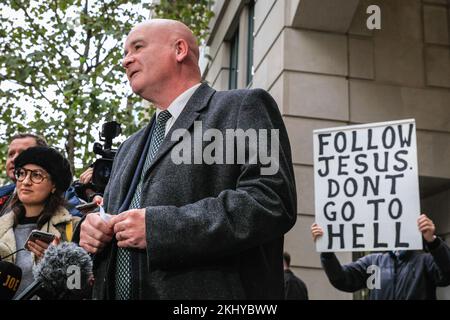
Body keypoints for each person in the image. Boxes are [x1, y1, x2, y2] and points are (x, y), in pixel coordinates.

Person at [77, 19, 297, 300]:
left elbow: (271, 201)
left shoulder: (244, 106)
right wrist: (94, 229)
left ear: (179, 49)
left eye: (137, 47)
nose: (126, 61)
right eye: (124, 53)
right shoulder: (128, 148)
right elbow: (112, 222)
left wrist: (160, 228)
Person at [0, 146, 80, 298]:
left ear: (54, 185)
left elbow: (78, 287)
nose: (26, 181)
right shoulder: (1, 226)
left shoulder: (74, 227)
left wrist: (59, 264)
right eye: (21, 173)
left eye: (36, 175)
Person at [311, 214, 450, 300]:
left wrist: (433, 241)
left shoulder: (424, 261)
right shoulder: (373, 262)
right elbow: (341, 279)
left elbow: (447, 274)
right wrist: (327, 251)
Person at [0, 133, 83, 217]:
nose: (14, 159)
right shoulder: (2, 193)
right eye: (11, 154)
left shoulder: (66, 197)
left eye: (23, 153)